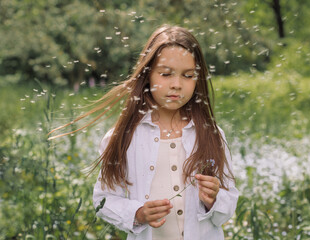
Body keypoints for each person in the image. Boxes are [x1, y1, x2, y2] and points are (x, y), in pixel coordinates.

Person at [50, 25, 239, 240]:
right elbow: (104, 200)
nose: (177, 84)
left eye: (188, 76)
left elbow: (228, 205)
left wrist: (214, 200)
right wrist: (137, 214)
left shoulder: (212, 135)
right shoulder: (123, 138)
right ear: (147, 74)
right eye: (166, 74)